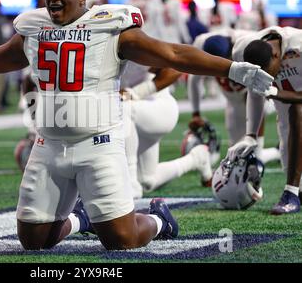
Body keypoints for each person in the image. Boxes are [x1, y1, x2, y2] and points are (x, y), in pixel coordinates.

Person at [0, 0, 273, 250]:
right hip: (48, 146)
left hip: (99, 143)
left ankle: (159, 221)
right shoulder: (34, 29)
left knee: (121, 240)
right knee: (34, 241)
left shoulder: (111, 28)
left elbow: (174, 53)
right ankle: (80, 219)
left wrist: (233, 68)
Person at [227, 26, 302, 215]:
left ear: (277, 56)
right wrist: (250, 135)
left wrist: (277, 92)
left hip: (295, 101)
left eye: (269, 73)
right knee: (289, 160)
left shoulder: (299, 46)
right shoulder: (241, 50)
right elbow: (255, 87)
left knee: (298, 110)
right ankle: (297, 191)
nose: (269, 79)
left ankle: (290, 193)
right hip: (287, 106)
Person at [187, 29, 281, 164]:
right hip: (233, 100)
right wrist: (195, 113)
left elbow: (261, 90)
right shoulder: (200, 45)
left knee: (254, 154)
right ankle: (278, 151)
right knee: (237, 153)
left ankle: (279, 151)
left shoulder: (245, 45)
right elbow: (193, 80)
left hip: (257, 96)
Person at [121, 65, 213, 199]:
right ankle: (197, 159)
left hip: (159, 109)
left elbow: (174, 68)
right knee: (147, 181)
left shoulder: (130, 46)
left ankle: (131, 184)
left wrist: (135, 93)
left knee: (120, 108)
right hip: (138, 116)